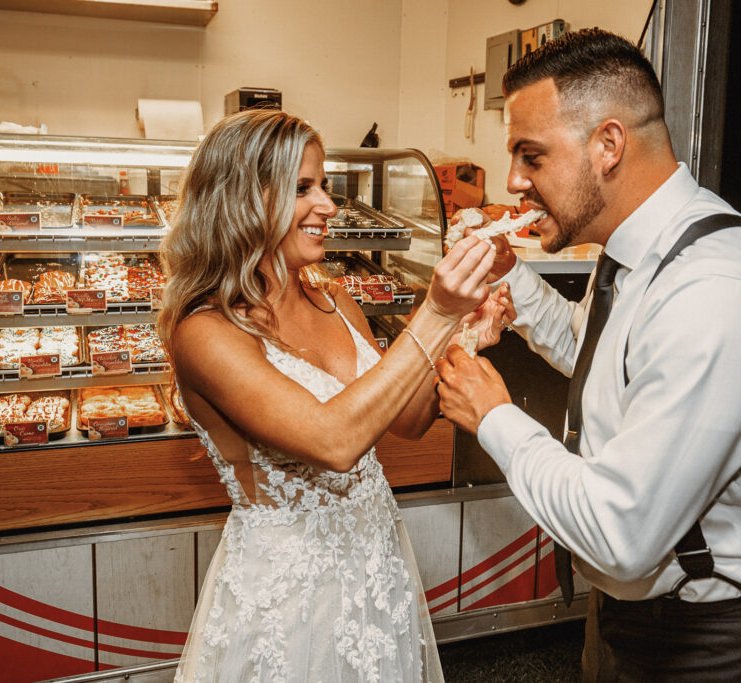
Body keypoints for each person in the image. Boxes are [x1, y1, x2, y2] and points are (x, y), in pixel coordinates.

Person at [434, 28, 741, 681]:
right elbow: (600, 357)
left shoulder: (716, 290)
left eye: (531, 155)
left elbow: (622, 537)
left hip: (728, 642)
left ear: (608, 145)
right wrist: (509, 274)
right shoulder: (639, 251)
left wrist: (494, 418)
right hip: (636, 619)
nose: (512, 179)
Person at [158, 109, 513, 681]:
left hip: (375, 568)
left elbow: (407, 420)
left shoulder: (334, 299)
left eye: (323, 185)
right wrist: (436, 311)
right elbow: (335, 439)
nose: (327, 204)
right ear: (244, 200)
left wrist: (465, 331)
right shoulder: (206, 332)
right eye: (303, 188)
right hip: (289, 598)